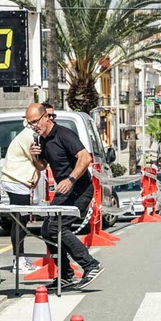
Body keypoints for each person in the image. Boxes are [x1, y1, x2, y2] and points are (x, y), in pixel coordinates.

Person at [26, 103, 103, 290]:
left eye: (36, 121)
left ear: (46, 117)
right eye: (30, 123)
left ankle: (90, 264)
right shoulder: (42, 140)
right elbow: (43, 167)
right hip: (65, 191)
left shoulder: (64, 134)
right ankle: (66, 274)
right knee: (46, 230)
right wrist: (36, 157)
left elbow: (85, 158)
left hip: (80, 189)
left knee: (56, 227)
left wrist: (70, 178)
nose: (34, 126)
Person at [0, 121, 41, 274]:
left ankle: (20, 258)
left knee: (20, 220)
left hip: (17, 181)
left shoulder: (29, 133)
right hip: (16, 181)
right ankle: (19, 260)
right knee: (19, 221)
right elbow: (38, 161)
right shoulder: (30, 136)